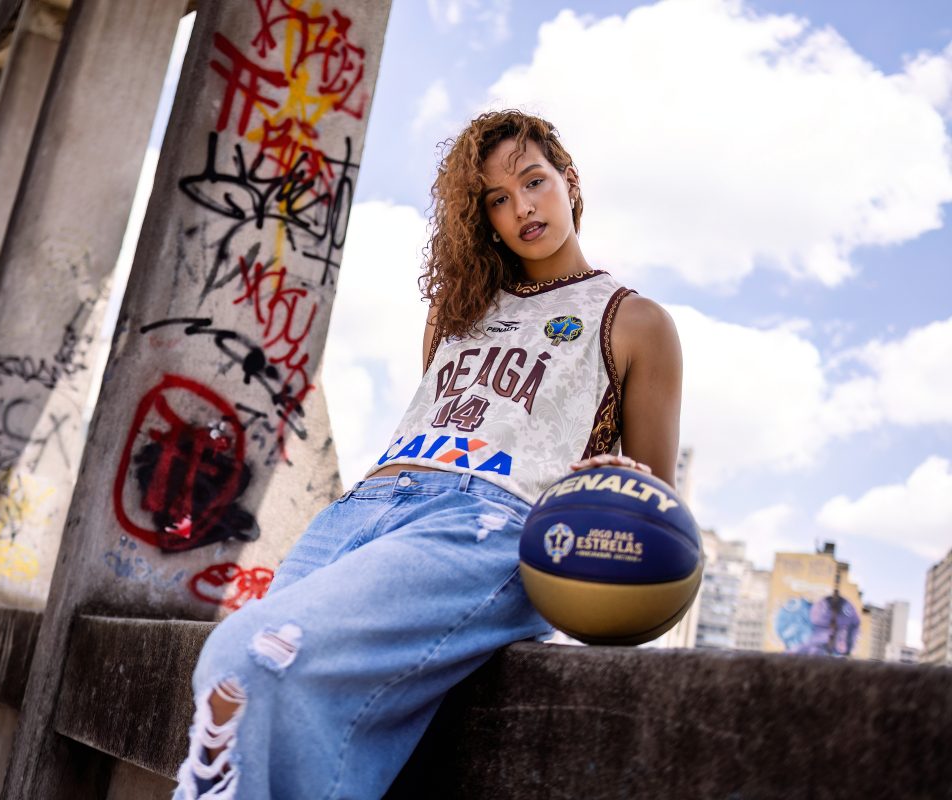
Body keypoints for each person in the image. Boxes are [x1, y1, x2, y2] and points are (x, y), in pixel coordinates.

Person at [173, 110, 683, 800]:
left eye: (534, 182)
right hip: (361, 511)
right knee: (246, 698)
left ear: (569, 180)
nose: (522, 208)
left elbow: (658, 512)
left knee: (246, 660)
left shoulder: (636, 321)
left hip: (485, 525)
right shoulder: (456, 310)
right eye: (497, 199)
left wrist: (618, 487)